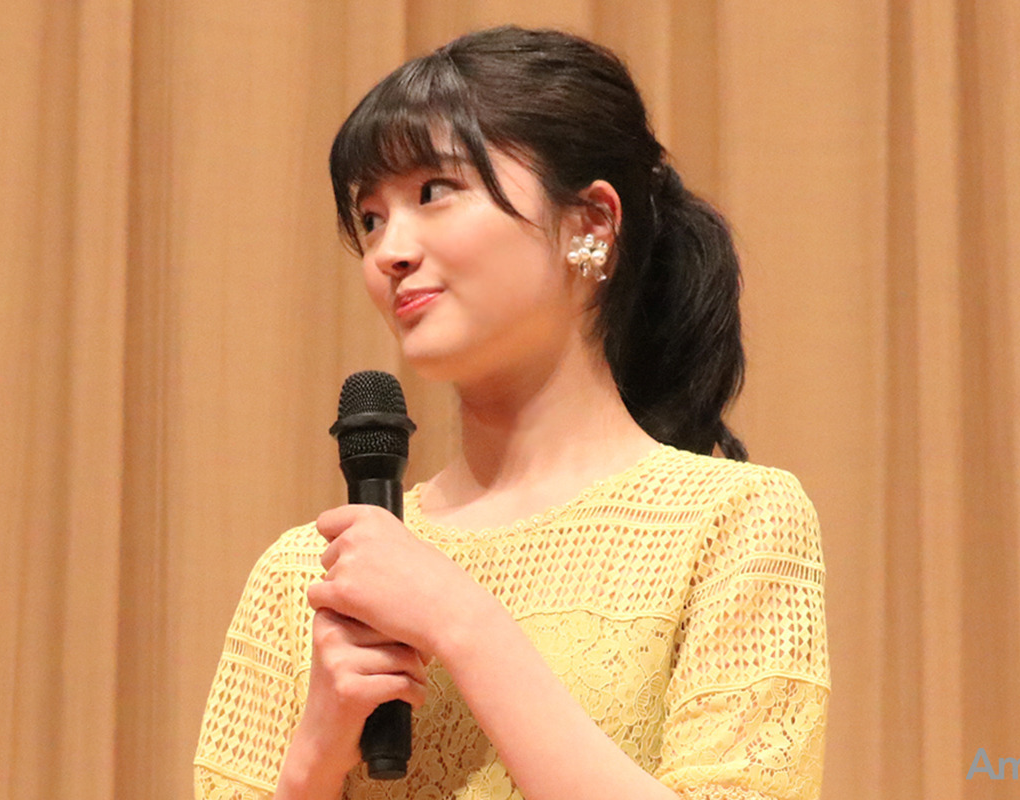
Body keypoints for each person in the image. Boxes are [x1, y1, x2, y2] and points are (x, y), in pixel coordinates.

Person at [194, 25, 828, 800]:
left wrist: (461, 623)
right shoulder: (311, 576)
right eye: (370, 218)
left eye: (434, 192)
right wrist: (315, 757)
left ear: (591, 223)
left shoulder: (733, 522)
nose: (389, 251)